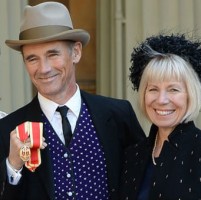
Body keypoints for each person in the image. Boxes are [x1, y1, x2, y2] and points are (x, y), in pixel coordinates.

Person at [0, 2, 145, 200]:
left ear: (76, 52)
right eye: (32, 58)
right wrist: (13, 166)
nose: (43, 69)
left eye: (52, 54)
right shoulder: (8, 130)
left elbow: (144, 183)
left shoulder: (118, 115)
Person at [120, 33, 201, 199]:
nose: (161, 100)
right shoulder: (132, 155)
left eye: (173, 90)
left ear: (190, 95)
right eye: (153, 89)